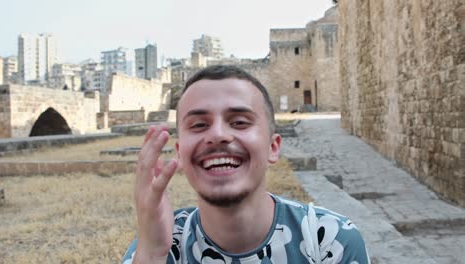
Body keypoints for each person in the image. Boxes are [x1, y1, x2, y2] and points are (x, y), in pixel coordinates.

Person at [122, 65, 370, 264]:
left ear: (273, 147)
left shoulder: (329, 241)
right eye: (199, 125)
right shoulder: (159, 243)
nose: (218, 134)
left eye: (239, 122)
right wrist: (152, 256)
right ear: (180, 154)